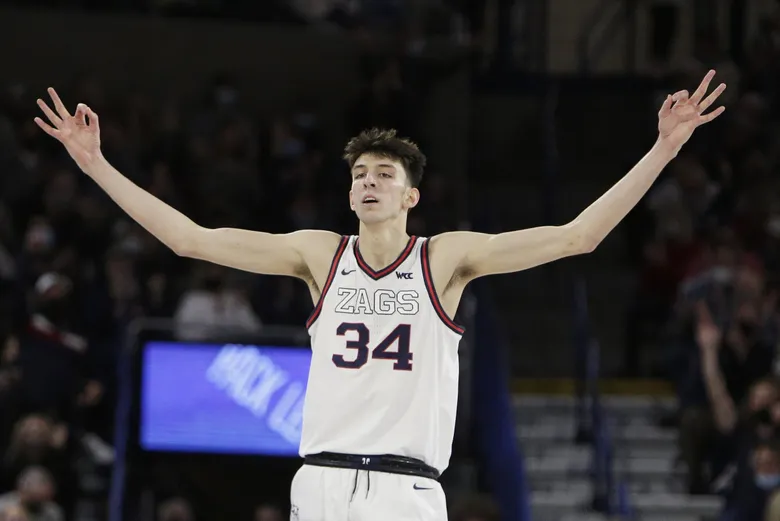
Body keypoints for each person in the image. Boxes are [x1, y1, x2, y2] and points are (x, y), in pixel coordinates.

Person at [33, 71, 726, 521]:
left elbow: (578, 236)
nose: (368, 180)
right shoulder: (317, 253)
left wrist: (663, 149)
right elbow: (191, 238)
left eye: (383, 172)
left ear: (411, 194)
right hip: (322, 482)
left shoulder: (446, 258)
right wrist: (95, 164)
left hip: (405, 490)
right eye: (359, 172)